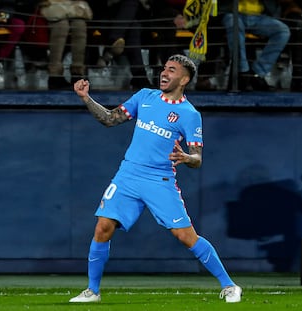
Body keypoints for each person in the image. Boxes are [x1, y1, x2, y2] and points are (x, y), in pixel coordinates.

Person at [70, 54, 242, 304]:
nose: (164, 73)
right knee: (102, 227)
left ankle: (229, 285)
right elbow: (110, 119)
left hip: (158, 180)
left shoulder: (189, 114)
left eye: (171, 70)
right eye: (164, 68)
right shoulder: (145, 96)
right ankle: (92, 291)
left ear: (184, 79)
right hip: (128, 175)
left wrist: (186, 157)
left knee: (186, 236)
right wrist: (86, 98)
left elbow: (197, 158)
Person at [221, 0, 291, 91]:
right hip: (233, 13)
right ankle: (243, 72)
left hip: (259, 16)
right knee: (234, 25)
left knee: (283, 31)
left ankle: (257, 73)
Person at [43, 0, 90, 89]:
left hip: (73, 5)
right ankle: (54, 75)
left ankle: (77, 74)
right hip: (50, 5)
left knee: (79, 25)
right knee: (61, 25)